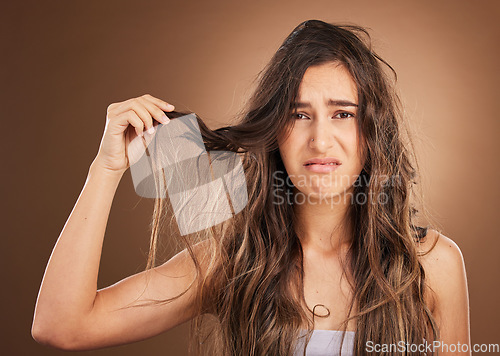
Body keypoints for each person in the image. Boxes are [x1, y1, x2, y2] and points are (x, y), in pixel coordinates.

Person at [31, 20, 470, 355]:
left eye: (342, 114)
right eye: (299, 115)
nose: (320, 140)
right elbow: (62, 325)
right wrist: (105, 169)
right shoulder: (234, 260)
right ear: (274, 131)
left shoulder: (433, 266)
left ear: (373, 133)